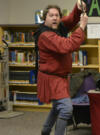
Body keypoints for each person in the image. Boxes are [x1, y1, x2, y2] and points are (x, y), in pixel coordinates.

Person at [33, 0, 88, 134]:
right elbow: (67, 45)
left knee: (58, 107)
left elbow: (70, 19)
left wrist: (78, 8)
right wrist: (82, 27)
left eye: (57, 15)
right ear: (45, 18)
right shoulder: (46, 35)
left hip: (60, 77)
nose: (55, 18)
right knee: (66, 108)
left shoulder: (58, 27)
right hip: (52, 78)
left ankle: (45, 131)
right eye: (51, 15)